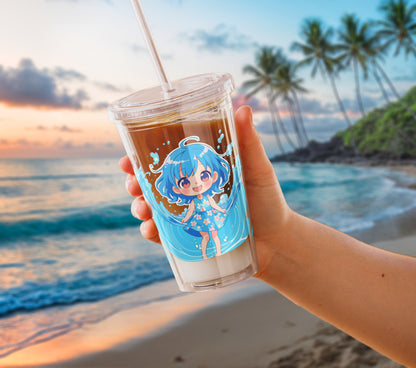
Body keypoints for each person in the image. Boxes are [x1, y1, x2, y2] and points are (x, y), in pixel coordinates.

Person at [119, 105, 416, 367]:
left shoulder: (208, 193)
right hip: (210, 222)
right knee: (209, 239)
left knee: (209, 236)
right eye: (185, 180)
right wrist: (276, 239)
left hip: (213, 217)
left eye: (203, 176)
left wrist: (273, 240)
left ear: (214, 172)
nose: (196, 184)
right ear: (175, 185)